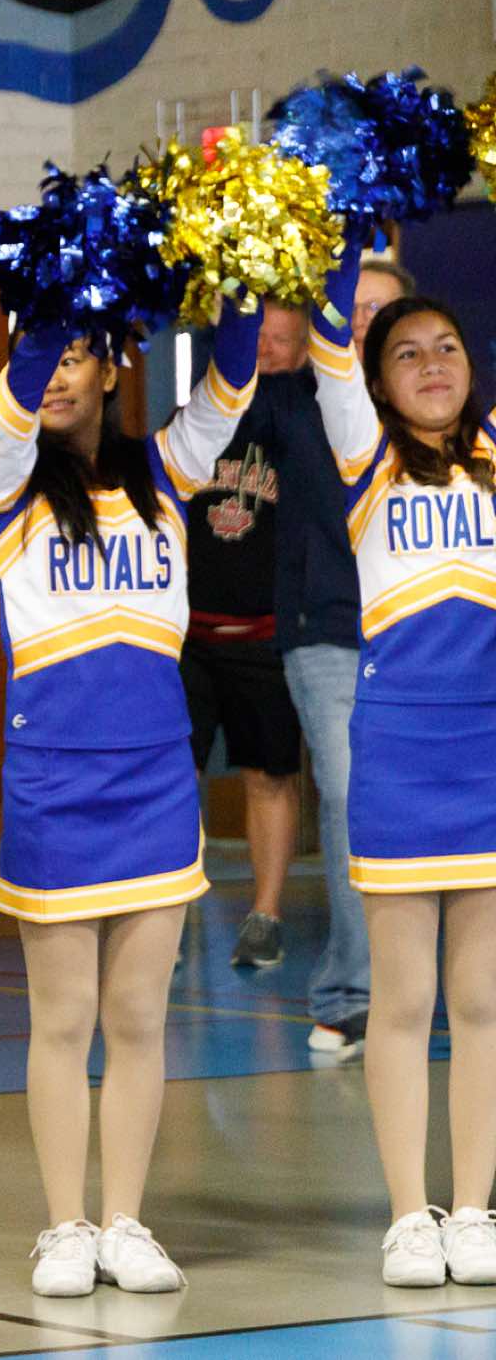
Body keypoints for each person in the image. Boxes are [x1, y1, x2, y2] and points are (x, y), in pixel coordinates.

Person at [0, 301, 261, 1298]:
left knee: (138, 1015)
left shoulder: (167, 472)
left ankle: (125, 1221)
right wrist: (55, 291)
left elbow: (232, 380)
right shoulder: (4, 479)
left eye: (76, 356)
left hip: (154, 779)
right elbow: (16, 395)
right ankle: (63, 1226)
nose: (55, 373)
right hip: (53, 779)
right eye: (43, 355)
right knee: (62, 1018)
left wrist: (243, 272)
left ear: (113, 368)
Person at [306, 244, 496, 1288]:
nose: (431, 364)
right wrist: (347, 224)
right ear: (376, 383)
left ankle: (473, 1208)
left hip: (487, 750)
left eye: (447, 347)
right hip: (398, 752)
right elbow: (328, 340)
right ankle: (406, 1214)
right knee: (404, 998)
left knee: (482, 1001)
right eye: (407, 353)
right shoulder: (366, 461)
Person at [274, 263, 416, 1054]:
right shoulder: (296, 401)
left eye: (380, 308)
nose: (364, 320)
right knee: (350, 794)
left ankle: (434, 982)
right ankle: (350, 992)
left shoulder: (439, 413)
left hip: (419, 635)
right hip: (327, 629)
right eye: (352, 307)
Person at [179, 303, 308, 968]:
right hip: (190, 634)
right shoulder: (196, 419)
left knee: (269, 775)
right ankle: (164, 916)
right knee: (175, 777)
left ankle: (266, 915)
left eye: (279, 339)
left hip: (265, 634)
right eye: (256, 336)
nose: (264, 348)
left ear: (306, 348)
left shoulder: (308, 425)